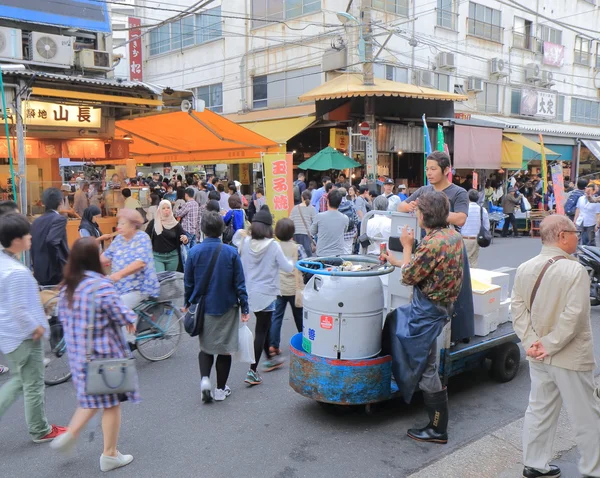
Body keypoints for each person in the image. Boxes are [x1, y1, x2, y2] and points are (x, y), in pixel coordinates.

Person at [511, 215, 600, 478]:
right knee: (586, 414)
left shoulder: (525, 267)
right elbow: (574, 317)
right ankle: (593, 469)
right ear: (562, 236)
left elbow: (517, 309)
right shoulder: (575, 270)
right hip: (570, 356)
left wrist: (531, 343)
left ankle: (535, 464)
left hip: (537, 355)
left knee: (539, 409)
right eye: (573, 232)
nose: (577, 236)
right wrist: (549, 345)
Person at [50, 238, 139, 472]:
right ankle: (109, 454)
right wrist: (131, 320)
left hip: (80, 356)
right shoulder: (100, 285)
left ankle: (71, 435)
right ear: (92, 258)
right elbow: (122, 314)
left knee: (91, 399)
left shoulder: (67, 286)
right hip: (104, 356)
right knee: (110, 403)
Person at [382, 191, 464, 445]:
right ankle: (409, 387)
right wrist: (398, 260)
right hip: (441, 307)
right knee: (397, 327)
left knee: (427, 366)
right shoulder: (452, 236)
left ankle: (438, 428)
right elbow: (421, 267)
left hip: (427, 310)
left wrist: (407, 246)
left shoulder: (430, 243)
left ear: (423, 216)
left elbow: (409, 278)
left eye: (417, 212)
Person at [0, 213, 68, 443]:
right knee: (32, 384)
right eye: (26, 233)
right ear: (17, 239)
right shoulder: (16, 272)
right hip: (24, 336)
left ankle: (40, 427)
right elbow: (19, 309)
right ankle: (40, 429)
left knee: (21, 380)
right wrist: (36, 329)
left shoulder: (4, 262)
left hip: (9, 335)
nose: (30, 236)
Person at [397, 151, 472, 343]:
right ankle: (431, 337)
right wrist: (411, 205)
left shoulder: (458, 192)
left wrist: (432, 213)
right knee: (424, 292)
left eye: (433, 169)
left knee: (454, 292)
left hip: (449, 246)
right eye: (427, 169)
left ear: (446, 170)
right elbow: (400, 207)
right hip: (426, 245)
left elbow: (461, 218)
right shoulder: (424, 190)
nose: (429, 173)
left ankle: (457, 335)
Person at [184, 212, 250, 403]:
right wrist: (245, 307)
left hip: (204, 306)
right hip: (227, 306)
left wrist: (187, 302)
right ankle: (220, 389)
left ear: (203, 229)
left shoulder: (194, 252)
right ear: (222, 229)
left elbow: (188, 282)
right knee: (224, 349)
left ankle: (205, 380)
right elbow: (240, 283)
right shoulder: (230, 252)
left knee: (205, 347)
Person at [238, 206, 294, 385]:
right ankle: (252, 371)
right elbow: (287, 267)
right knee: (261, 330)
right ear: (269, 228)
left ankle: (270, 358)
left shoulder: (246, 243)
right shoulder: (273, 245)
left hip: (249, 292)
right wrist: (294, 260)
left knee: (264, 326)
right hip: (268, 293)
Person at [101, 209, 160, 346]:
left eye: (123, 223)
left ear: (133, 225)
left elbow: (140, 263)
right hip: (119, 286)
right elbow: (105, 257)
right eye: (118, 223)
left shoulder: (142, 238)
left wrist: (118, 274)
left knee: (119, 304)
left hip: (139, 287)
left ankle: (127, 343)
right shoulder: (119, 240)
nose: (119, 226)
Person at [268, 219, 306, 358]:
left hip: (278, 287)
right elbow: (305, 265)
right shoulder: (298, 248)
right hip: (295, 289)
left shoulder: (274, 247)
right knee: (299, 317)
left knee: (276, 317)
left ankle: (273, 345)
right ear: (292, 232)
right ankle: (304, 343)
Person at [31, 188, 70, 286]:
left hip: (39, 270)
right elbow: (52, 241)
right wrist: (57, 266)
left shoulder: (36, 221)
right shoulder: (59, 219)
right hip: (54, 273)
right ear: (60, 202)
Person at [146, 200, 188, 272]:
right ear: (159, 209)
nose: (166, 210)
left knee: (170, 280)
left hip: (173, 256)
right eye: (163, 208)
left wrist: (185, 239)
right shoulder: (154, 223)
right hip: (157, 257)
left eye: (168, 208)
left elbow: (184, 237)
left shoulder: (175, 224)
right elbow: (146, 236)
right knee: (161, 279)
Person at [310, 189, 349, 257]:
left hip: (322, 254)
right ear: (340, 203)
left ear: (327, 201)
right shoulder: (345, 218)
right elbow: (344, 231)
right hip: (338, 255)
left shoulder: (319, 216)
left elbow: (312, 232)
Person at [461, 189, 490, 268]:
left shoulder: (464, 209)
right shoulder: (482, 210)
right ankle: (473, 279)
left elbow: (459, 224)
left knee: (463, 262)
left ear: (468, 198)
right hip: (477, 239)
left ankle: (465, 279)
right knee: (474, 261)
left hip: (465, 239)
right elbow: (487, 226)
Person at [289, 190, 317, 257]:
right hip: (306, 235)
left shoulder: (295, 208)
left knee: (298, 255)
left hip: (295, 234)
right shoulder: (312, 209)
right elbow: (315, 222)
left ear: (302, 197)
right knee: (308, 256)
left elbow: (290, 221)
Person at [338, 187, 360, 254]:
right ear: (346, 194)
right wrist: (355, 229)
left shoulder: (336, 203)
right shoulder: (351, 203)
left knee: (338, 252)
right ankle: (347, 263)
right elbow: (356, 218)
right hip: (349, 232)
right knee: (348, 251)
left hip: (338, 232)